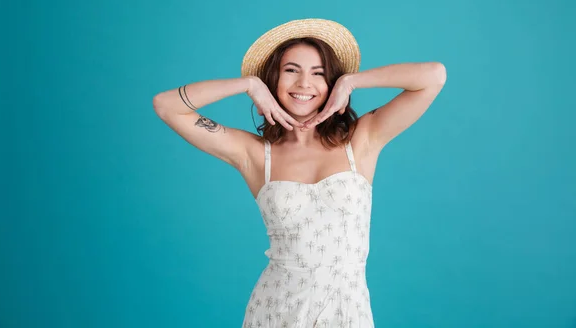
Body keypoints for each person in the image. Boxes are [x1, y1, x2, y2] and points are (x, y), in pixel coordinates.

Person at [152, 18, 447, 327]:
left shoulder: (361, 141)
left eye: (318, 74)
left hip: (346, 315)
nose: (304, 84)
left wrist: (352, 81)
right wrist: (248, 84)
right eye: (291, 70)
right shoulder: (255, 155)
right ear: (273, 80)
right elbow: (166, 105)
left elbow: (434, 76)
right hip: (275, 312)